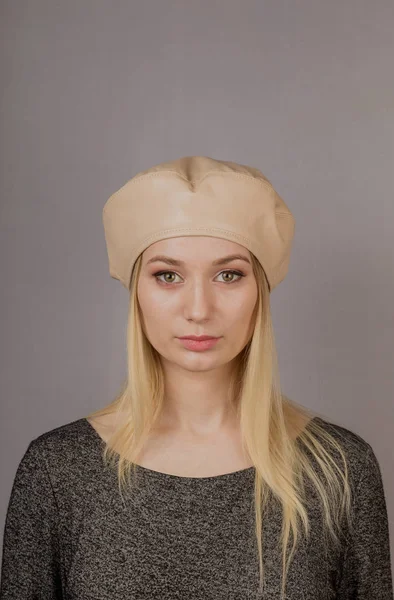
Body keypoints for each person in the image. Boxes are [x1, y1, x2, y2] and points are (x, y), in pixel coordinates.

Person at [0, 156, 392, 599]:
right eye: (168, 276)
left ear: (260, 292)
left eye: (229, 275)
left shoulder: (337, 469)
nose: (199, 309)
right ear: (137, 294)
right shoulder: (58, 471)